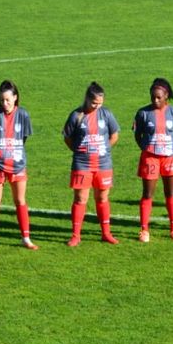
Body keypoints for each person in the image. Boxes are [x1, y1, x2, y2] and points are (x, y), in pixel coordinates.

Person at [63, 81, 120, 246]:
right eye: (94, 102)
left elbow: (114, 135)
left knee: (102, 197)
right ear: (87, 99)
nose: (97, 106)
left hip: (103, 164)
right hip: (82, 164)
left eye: (100, 103)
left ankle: (106, 233)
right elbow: (67, 138)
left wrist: (104, 148)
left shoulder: (106, 114)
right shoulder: (76, 115)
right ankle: (75, 235)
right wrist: (78, 150)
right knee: (81, 198)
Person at [0, 80, 37, 252]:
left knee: (20, 200)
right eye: (1, 100)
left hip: (17, 164)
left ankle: (26, 238)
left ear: (15, 97)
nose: (4, 103)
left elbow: (24, 138)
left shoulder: (24, 115)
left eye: (7, 99)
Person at [133, 77, 173, 242]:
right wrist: (146, 148)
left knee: (170, 193)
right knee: (148, 194)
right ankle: (144, 230)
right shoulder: (143, 113)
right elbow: (137, 135)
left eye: (159, 97)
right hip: (150, 158)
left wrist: (168, 149)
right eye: (153, 97)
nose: (155, 100)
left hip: (170, 158)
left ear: (166, 96)